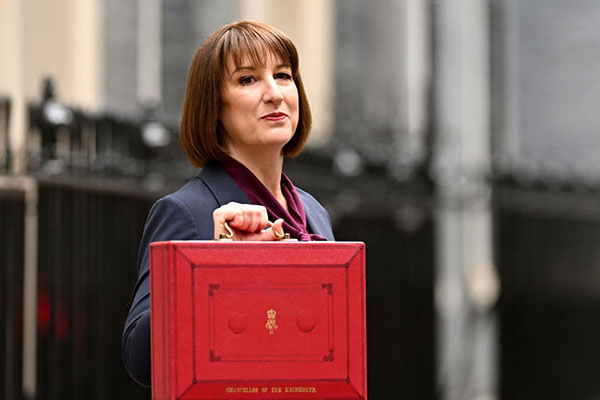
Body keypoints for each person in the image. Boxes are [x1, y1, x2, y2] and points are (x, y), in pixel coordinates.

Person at [122, 20, 335, 387]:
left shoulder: (314, 213)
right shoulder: (186, 211)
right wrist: (218, 263)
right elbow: (140, 360)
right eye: (248, 80)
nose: (274, 93)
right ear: (214, 107)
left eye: (283, 75)